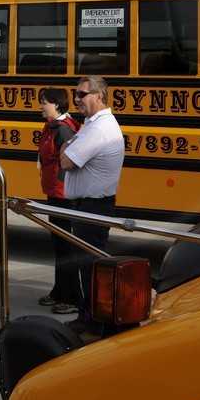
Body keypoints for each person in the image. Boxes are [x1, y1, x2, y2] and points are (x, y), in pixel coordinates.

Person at [60, 75, 125, 339]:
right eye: (75, 94)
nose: (76, 99)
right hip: (87, 207)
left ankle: (95, 326)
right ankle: (86, 317)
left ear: (99, 96)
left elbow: (65, 161)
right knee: (87, 266)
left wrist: (69, 146)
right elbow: (66, 151)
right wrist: (69, 146)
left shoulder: (98, 128)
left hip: (92, 208)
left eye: (81, 94)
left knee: (92, 268)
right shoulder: (91, 124)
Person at [36, 87, 81, 314]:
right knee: (59, 244)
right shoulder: (54, 127)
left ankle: (73, 297)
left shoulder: (63, 130)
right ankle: (60, 290)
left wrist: (64, 187)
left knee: (65, 246)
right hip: (55, 192)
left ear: (57, 105)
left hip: (62, 194)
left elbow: (70, 162)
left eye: (44, 102)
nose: (41, 106)